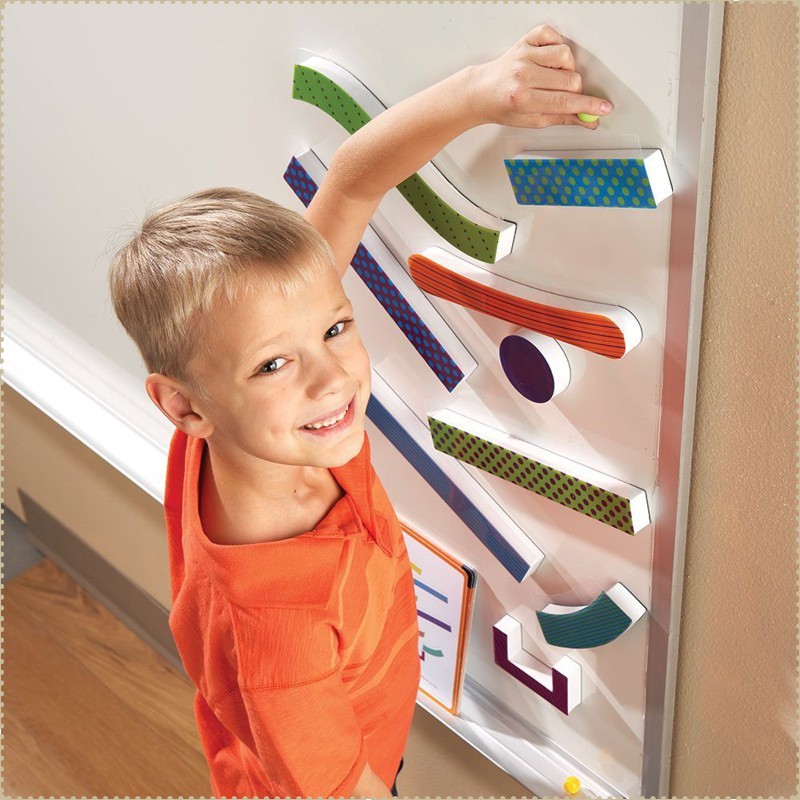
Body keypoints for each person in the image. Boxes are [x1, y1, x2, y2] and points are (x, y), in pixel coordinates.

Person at [107, 23, 611, 800]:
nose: (331, 377)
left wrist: (482, 92)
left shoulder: (239, 414)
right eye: (274, 364)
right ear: (184, 407)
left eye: (336, 328)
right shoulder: (275, 631)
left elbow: (350, 183)